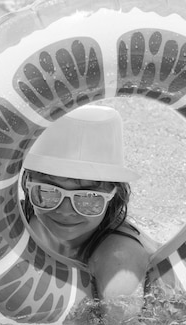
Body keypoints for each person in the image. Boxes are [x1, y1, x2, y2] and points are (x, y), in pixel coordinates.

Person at [21, 105, 153, 301]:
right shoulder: (16, 220)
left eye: (88, 199)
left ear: (113, 195)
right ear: (27, 183)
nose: (65, 211)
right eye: (49, 192)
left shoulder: (120, 257)